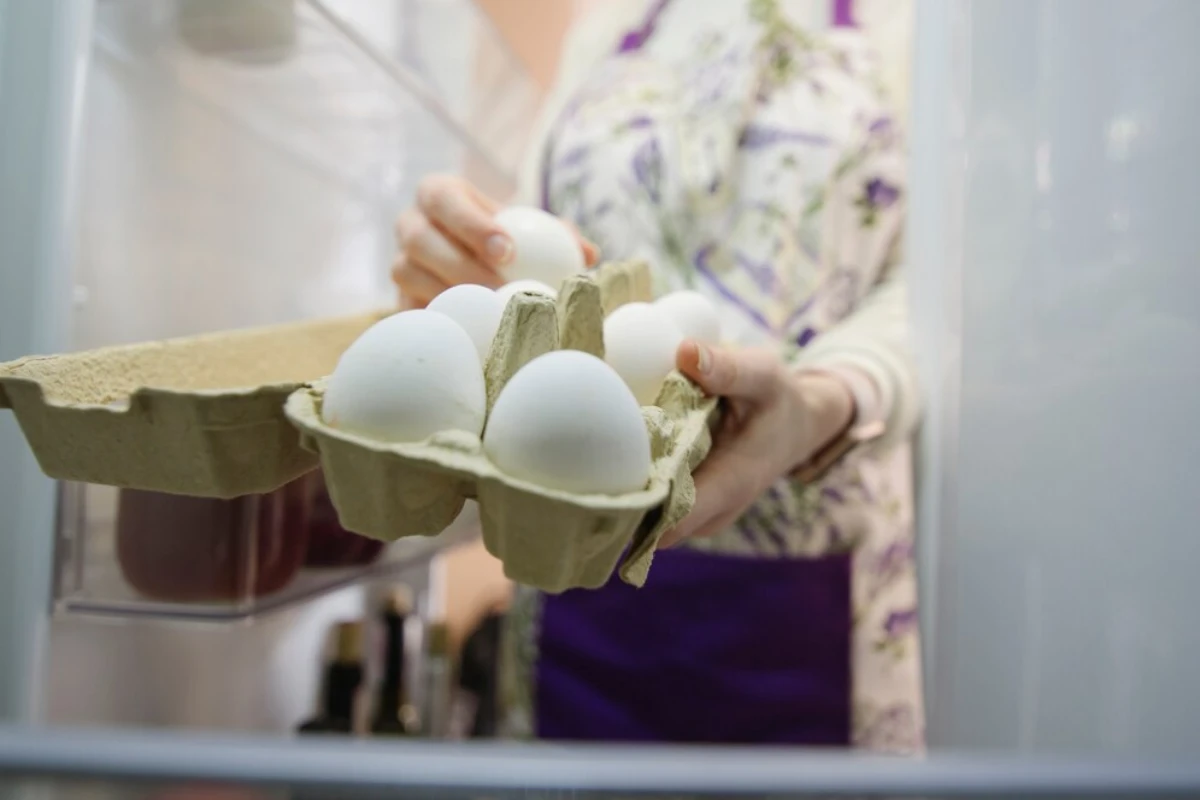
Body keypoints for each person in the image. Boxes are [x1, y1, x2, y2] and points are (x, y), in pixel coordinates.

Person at [392, 0, 922, 752]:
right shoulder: (609, 24)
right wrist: (468, 264)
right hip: (577, 577)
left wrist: (821, 399)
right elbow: (551, 261)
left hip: (819, 584)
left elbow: (945, 294)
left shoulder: (914, 24)